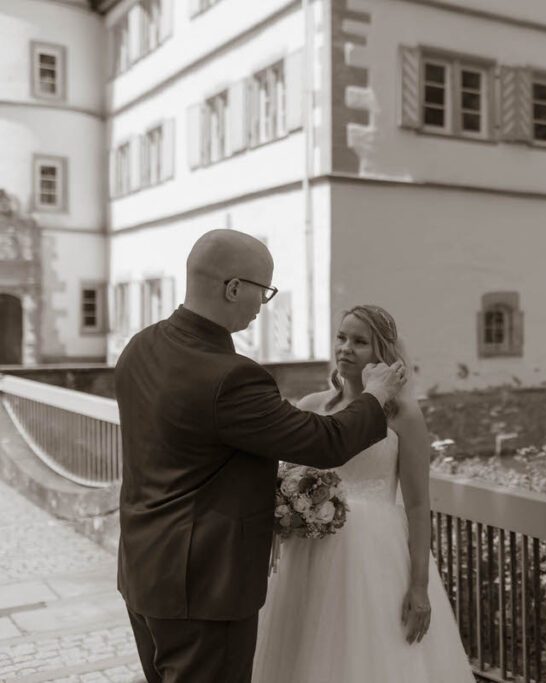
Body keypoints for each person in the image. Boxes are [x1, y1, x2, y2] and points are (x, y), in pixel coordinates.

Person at [114, 229, 407, 683]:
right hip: (205, 587)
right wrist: (376, 396)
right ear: (233, 288)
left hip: (144, 568)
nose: (262, 305)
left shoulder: (139, 347)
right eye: (264, 291)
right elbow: (323, 440)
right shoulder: (231, 377)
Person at [251, 305, 475, 682]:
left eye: (359, 341)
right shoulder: (311, 406)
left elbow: (419, 505)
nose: (345, 348)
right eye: (341, 337)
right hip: (308, 550)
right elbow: (287, 475)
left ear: (381, 353)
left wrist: (419, 586)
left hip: (375, 558)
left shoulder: (403, 415)